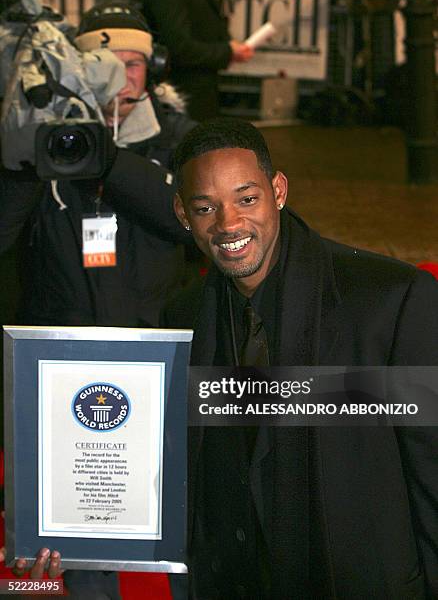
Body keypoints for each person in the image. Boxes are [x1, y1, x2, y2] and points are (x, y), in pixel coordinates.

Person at [161, 117, 438, 598]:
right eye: (206, 208)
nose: (229, 224)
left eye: (247, 199)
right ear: (184, 214)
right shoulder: (180, 319)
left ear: (279, 191)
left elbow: (432, 471)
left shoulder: (391, 300)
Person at [0, 0, 194, 329]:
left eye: (132, 64)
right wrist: (24, 161)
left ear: (153, 69)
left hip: (152, 336)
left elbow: (194, 222)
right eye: (104, 65)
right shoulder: (46, 137)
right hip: (55, 337)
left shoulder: (179, 138)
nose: (119, 78)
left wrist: (111, 162)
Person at [140, 0, 254, 121]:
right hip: (180, 97)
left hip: (201, 95)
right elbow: (177, 47)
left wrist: (229, 48)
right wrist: (227, 51)